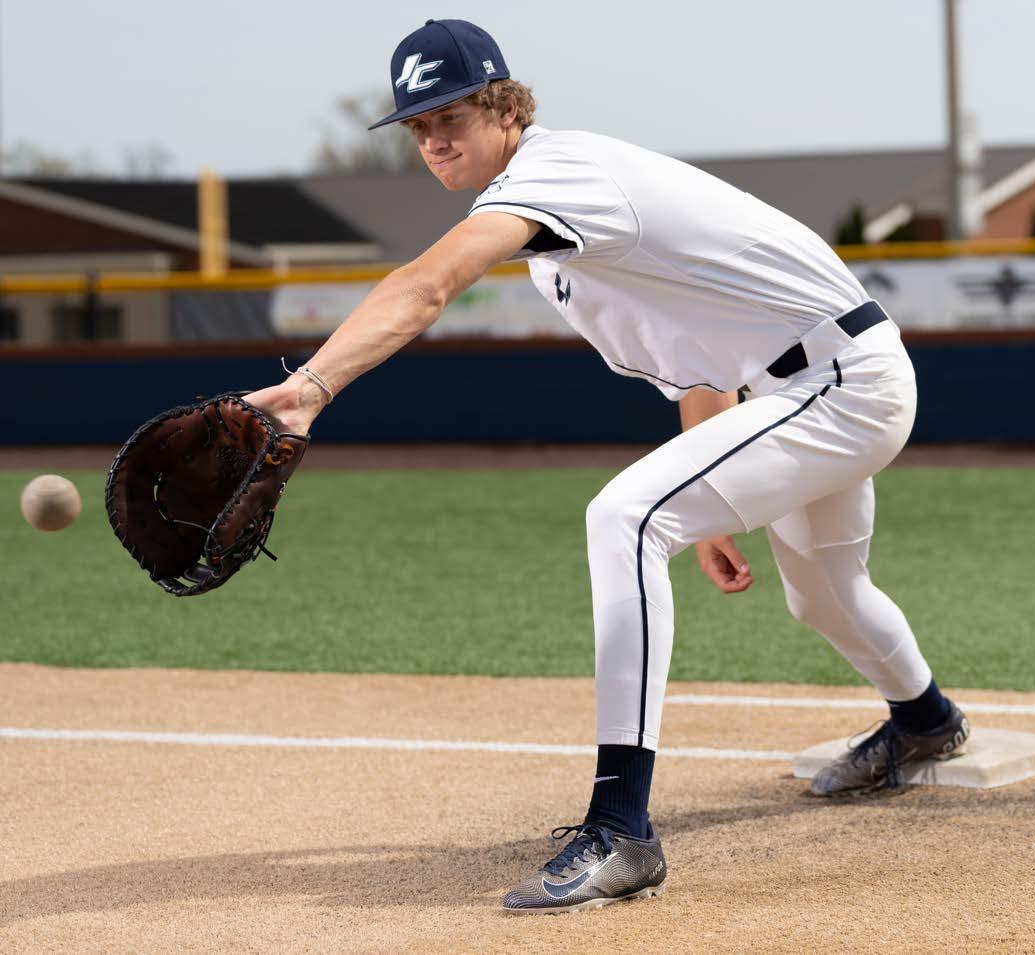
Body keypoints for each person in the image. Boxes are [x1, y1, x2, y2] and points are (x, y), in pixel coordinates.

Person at [246, 19, 970, 915]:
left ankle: (621, 829)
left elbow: (428, 284)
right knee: (821, 593)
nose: (433, 139)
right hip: (803, 384)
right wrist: (711, 513)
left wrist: (311, 387)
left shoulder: (558, 174)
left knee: (625, 517)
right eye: (417, 125)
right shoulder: (553, 255)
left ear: (505, 108)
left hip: (842, 381)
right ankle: (926, 719)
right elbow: (697, 362)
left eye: (452, 115)